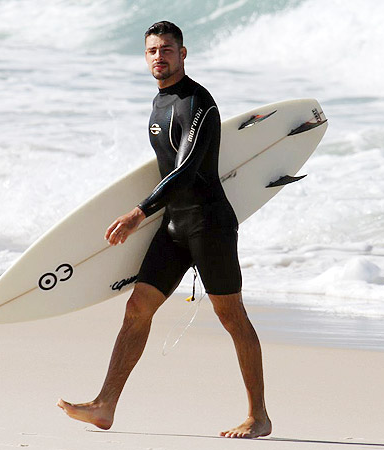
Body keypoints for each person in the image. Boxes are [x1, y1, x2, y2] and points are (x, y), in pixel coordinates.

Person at [57, 21, 272, 439]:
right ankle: (105, 406)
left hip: (209, 226)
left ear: (183, 53)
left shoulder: (198, 102)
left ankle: (258, 415)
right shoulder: (158, 104)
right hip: (174, 226)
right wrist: (154, 214)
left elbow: (188, 169)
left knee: (232, 316)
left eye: (167, 49)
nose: (160, 56)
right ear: (146, 57)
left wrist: (138, 213)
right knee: (137, 307)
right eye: (153, 50)